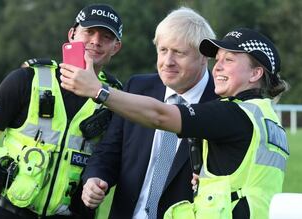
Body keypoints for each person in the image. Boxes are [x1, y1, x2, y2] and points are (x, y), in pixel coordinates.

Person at [59, 27, 289, 219]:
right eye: (217, 59)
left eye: (229, 60)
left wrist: (98, 91)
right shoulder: (267, 118)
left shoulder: (232, 114)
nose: (217, 66)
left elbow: (161, 116)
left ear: (256, 73)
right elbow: (245, 178)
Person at [0, 4, 123, 219]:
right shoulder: (26, 79)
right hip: (10, 213)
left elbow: (116, 161)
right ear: (72, 34)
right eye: (89, 32)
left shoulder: (116, 99)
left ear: (116, 47)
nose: (95, 41)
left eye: (106, 36)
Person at [77, 7, 217, 219]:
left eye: (179, 52)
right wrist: (95, 179)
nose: (167, 62)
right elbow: (109, 151)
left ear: (203, 57)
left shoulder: (221, 105)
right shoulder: (137, 87)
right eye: (163, 50)